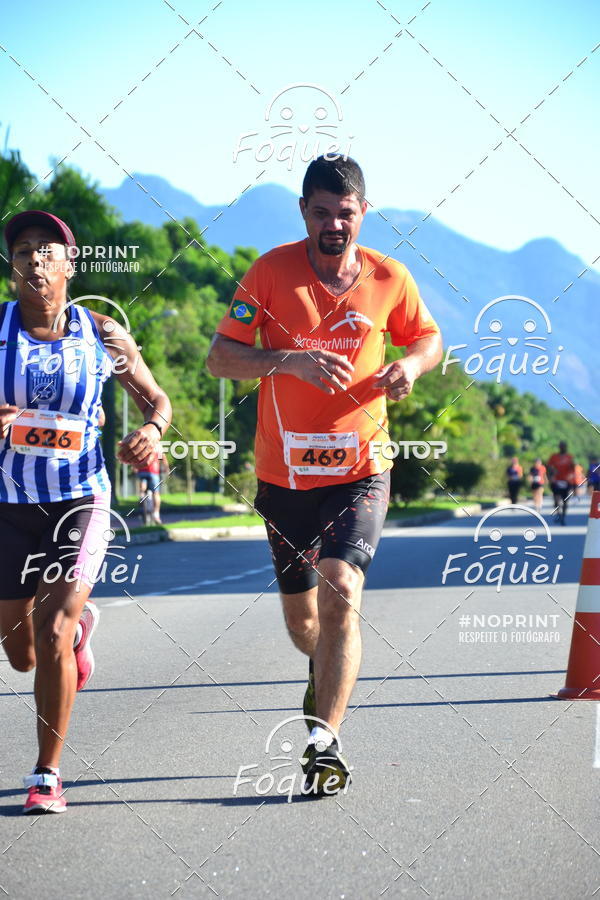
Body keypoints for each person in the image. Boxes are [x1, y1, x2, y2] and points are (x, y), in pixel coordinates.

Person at [207, 156, 442, 794]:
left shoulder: (390, 277)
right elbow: (220, 358)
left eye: (345, 213)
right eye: (321, 212)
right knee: (303, 626)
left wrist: (411, 367)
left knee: (341, 589)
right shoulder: (269, 272)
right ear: (304, 212)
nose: (333, 224)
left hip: (361, 467)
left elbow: (428, 339)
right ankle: (321, 674)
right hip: (283, 476)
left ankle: (324, 741)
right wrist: (288, 360)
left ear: (363, 212)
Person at [0, 210, 172, 814]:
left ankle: (46, 774)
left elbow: (157, 400)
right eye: (24, 249)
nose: (36, 258)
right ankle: (75, 641)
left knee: (50, 630)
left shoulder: (103, 334)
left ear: (71, 265)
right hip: (9, 504)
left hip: (81, 499)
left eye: (48, 249)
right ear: (12, 265)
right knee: (21, 653)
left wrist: (152, 431)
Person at [547, 441, 575, 525]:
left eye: (564, 446)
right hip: (556, 481)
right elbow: (548, 468)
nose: (562, 448)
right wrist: (550, 477)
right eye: (561, 446)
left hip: (566, 481)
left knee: (565, 500)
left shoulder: (569, 457)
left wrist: (571, 477)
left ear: (566, 447)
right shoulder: (554, 457)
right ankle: (559, 514)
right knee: (556, 500)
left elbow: (573, 468)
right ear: (559, 447)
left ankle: (563, 516)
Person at [134, 449, 163, 524]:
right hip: (153, 471)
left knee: (143, 484)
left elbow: (136, 457)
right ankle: (156, 514)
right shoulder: (158, 446)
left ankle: (141, 494)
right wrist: (166, 467)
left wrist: (135, 466)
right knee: (156, 493)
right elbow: (162, 458)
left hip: (142, 471)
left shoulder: (142, 445)